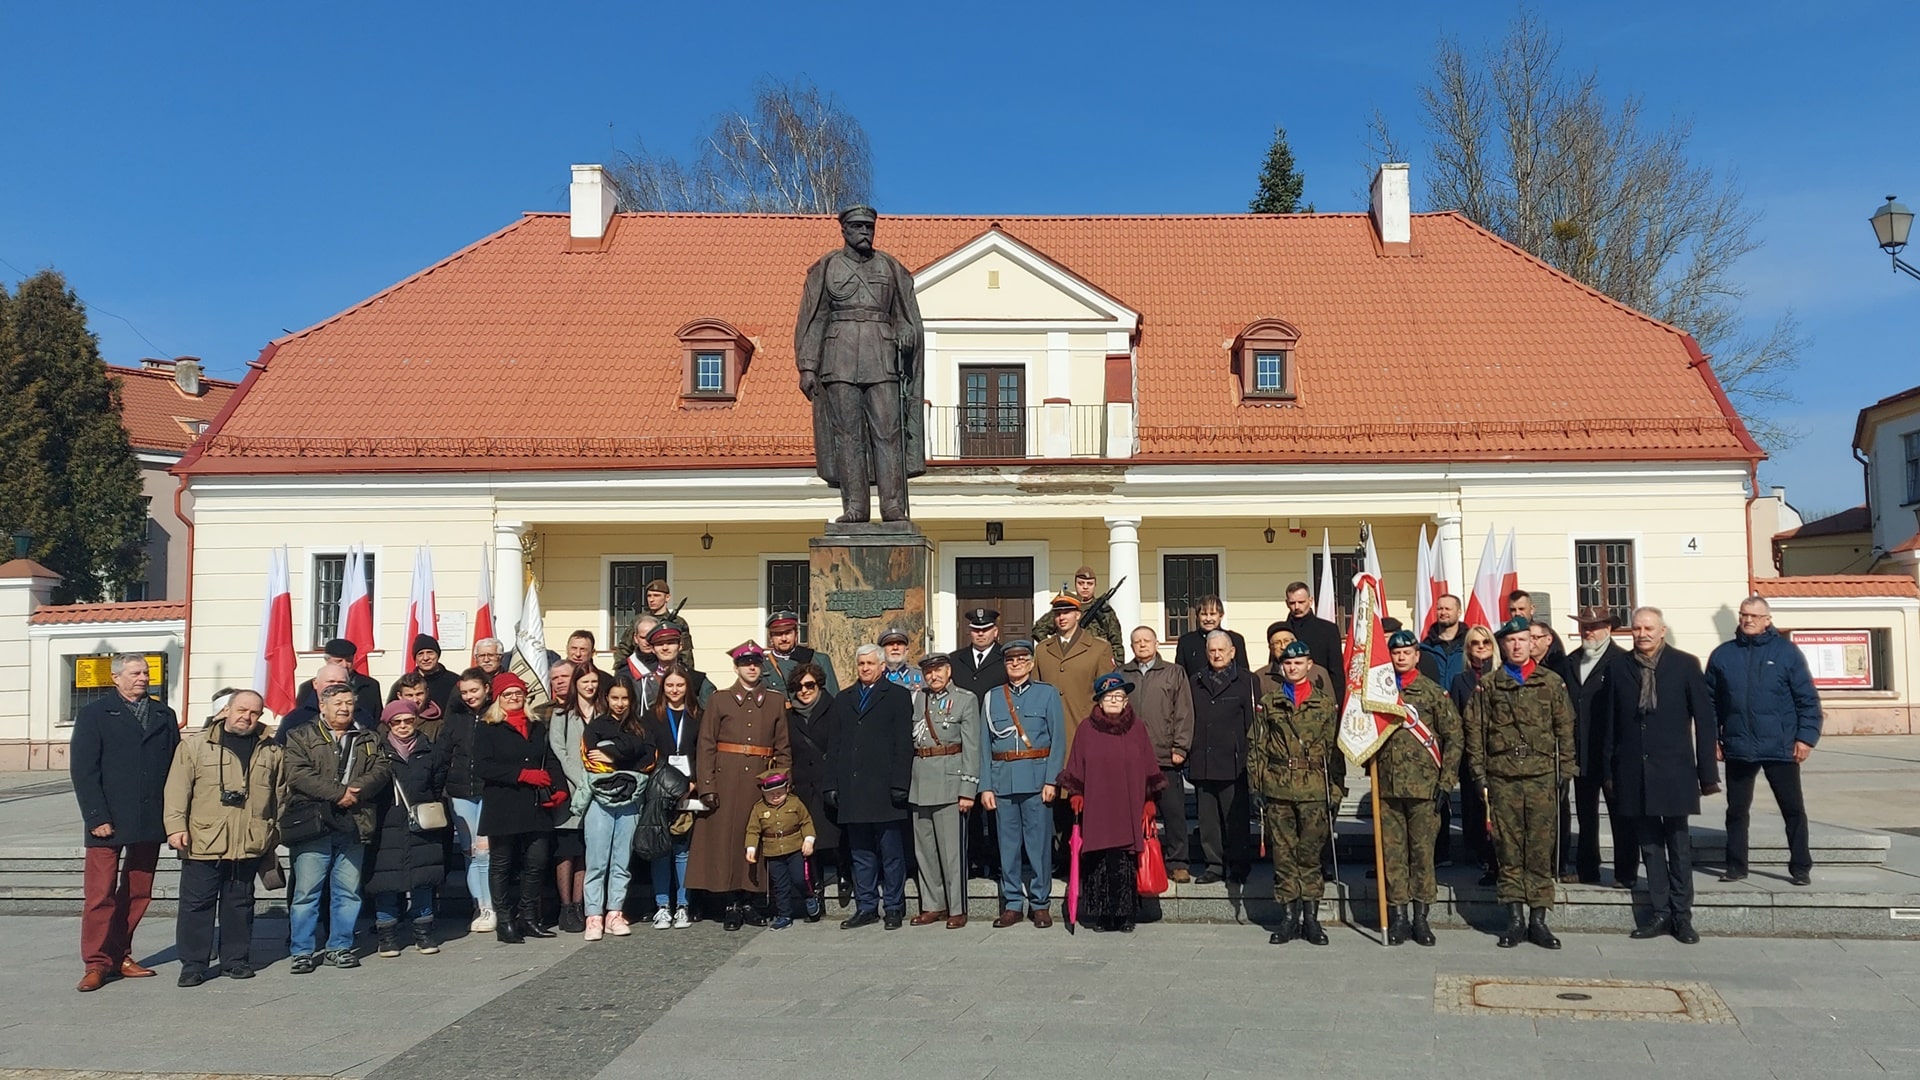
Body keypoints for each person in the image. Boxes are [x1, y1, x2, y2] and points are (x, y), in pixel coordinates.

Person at [795, 204, 926, 523]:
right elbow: (815, 318)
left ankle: (892, 506)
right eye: (858, 227)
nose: (865, 232)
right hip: (838, 360)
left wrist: (906, 331)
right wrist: (808, 365)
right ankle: (855, 506)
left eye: (869, 227)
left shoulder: (890, 267)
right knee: (847, 436)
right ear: (844, 230)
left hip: (882, 359)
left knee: (889, 434)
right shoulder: (827, 267)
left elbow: (906, 315)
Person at [1603, 607, 1720, 944]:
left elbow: (1705, 721)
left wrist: (1707, 774)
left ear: (1662, 631)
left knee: (1678, 845)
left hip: (1674, 770)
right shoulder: (1619, 667)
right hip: (1634, 771)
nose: (1642, 634)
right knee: (1651, 847)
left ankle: (1682, 916)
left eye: (1649, 628)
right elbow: (1610, 723)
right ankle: (1660, 913)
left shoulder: (1685, 665)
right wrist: (1609, 771)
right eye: (1637, 629)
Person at [69, 654, 179, 992]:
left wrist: (175, 816)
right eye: (135, 673)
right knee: (100, 894)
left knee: (138, 891)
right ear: (116, 677)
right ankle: (96, 963)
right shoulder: (94, 714)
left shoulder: (163, 714)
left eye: (146, 672)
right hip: (108, 819)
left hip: (150, 817)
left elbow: (175, 768)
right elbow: (84, 769)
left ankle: (119, 954)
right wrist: (96, 816)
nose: (143, 678)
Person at [1466, 616, 1576, 950]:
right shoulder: (1489, 685)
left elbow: (1565, 729)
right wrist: (1479, 774)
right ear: (1503, 645)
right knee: (1508, 850)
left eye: (1523, 640)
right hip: (1503, 779)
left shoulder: (1552, 682)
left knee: (1540, 849)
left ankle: (1538, 920)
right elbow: (1475, 732)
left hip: (1542, 778)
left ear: (1533, 643)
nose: (1517, 646)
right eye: (1511, 641)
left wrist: (1565, 771)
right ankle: (1514, 919)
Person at [163, 688, 279, 987]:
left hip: (248, 840)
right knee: (197, 905)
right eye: (241, 710)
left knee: (239, 904)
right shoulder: (196, 746)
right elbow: (177, 788)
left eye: (254, 712)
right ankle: (193, 965)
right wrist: (175, 826)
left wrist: (272, 831)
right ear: (226, 710)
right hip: (204, 839)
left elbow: (281, 794)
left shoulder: (271, 750)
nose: (247, 717)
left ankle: (235, 961)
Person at [1707, 595, 1821, 886]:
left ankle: (1800, 867)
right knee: (1736, 810)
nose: (1748, 620)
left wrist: (1806, 738)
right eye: (1744, 614)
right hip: (1738, 745)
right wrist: (1713, 739)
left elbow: (1807, 699)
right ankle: (1736, 866)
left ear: (1767, 620)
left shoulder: (1786, 653)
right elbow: (1710, 703)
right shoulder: (1723, 655)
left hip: (1780, 746)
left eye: (1754, 616)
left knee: (1792, 809)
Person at [282, 682, 391, 972]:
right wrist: (338, 793)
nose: (344, 708)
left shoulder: (368, 737)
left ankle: (339, 946)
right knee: (307, 892)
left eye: (349, 703)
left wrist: (357, 790)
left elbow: (381, 769)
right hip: (314, 822)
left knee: (348, 891)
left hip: (355, 820)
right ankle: (302, 951)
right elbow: (297, 773)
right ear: (323, 706)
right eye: (338, 703)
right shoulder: (300, 735)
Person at [690, 642, 792, 931]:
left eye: (756, 663)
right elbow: (706, 744)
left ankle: (751, 900)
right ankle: (731, 902)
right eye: (745, 663)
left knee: (757, 839)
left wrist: (783, 784)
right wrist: (707, 784)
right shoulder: (719, 700)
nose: (751, 668)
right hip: (725, 779)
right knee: (726, 841)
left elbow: (783, 748)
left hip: (760, 781)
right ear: (735, 668)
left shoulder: (774, 701)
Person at [1057, 672, 1166, 933]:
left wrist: (1149, 799)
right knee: (1099, 860)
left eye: (1119, 696)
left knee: (1124, 860)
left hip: (1129, 804)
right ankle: (1103, 915)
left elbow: (1149, 764)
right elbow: (1076, 764)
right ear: (1099, 701)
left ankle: (1126, 914)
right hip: (1098, 806)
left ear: (1126, 701)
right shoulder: (1086, 729)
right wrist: (1077, 794)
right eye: (1109, 697)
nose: (1115, 701)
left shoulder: (1137, 728)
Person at [1250, 642, 1341, 946]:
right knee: (1284, 855)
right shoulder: (1269, 702)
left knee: (1311, 855)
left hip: (1314, 787)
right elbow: (1257, 747)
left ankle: (1311, 920)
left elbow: (1334, 751)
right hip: (1279, 787)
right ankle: (1289, 918)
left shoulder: (1324, 704)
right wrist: (1256, 786)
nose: (1292, 667)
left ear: (1309, 665)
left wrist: (1335, 790)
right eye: (1287, 663)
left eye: (1298, 663)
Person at [1377, 630, 1463, 946]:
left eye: (1407, 652)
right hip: (1387, 788)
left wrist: (1446, 782)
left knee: (1423, 855)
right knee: (1393, 856)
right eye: (1395, 653)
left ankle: (1421, 918)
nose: (1401, 657)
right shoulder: (1379, 694)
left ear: (1416, 656)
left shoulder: (1433, 693)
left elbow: (1454, 738)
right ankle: (1399, 917)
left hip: (1425, 789)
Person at [472, 672, 568, 943]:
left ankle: (528, 917)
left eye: (518, 693)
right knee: (502, 864)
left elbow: (550, 760)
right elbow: (483, 767)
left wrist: (559, 787)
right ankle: (504, 920)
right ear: (498, 698)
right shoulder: (488, 727)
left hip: (535, 805)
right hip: (503, 805)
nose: (514, 698)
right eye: (508, 694)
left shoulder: (536, 725)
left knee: (536, 861)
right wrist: (521, 774)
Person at [825, 644, 916, 929]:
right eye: (861, 663)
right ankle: (866, 906)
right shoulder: (844, 698)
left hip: (885, 790)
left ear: (882, 666)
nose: (865, 668)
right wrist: (831, 784)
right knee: (861, 853)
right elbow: (835, 745)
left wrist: (900, 783)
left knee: (891, 853)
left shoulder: (898, 696)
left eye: (870, 663)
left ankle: (894, 906)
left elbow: (904, 744)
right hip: (853, 789)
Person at [978, 640, 1066, 928]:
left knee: (1039, 845)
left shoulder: (1047, 693)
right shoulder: (992, 697)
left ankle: (1040, 903)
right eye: (1010, 660)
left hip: (1037, 780)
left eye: (1021, 659)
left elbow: (1058, 740)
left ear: (1030, 663)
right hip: (1002, 780)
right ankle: (1012, 903)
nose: (1015, 664)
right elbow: (984, 745)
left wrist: (1052, 780)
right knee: (1007, 846)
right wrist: (985, 786)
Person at [366, 700, 449, 959]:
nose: (403, 726)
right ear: (388, 724)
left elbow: (437, 785)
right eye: (396, 722)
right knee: (385, 884)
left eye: (408, 720)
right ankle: (387, 937)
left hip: (421, 825)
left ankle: (423, 934)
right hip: (386, 825)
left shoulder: (430, 750)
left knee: (423, 881)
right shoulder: (377, 750)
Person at [1563, 607, 1635, 888]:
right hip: (1581, 751)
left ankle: (1625, 873)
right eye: (1584, 626)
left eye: (1594, 626)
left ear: (1608, 628)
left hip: (1612, 752)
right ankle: (1587, 869)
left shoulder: (1622, 661)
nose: (1588, 631)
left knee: (1620, 814)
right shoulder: (1571, 661)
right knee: (1586, 815)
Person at [909, 653, 980, 929]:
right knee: (925, 850)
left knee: (952, 852)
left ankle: (957, 907)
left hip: (950, 780)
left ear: (949, 671)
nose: (933, 676)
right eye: (928, 672)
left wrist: (968, 789)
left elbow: (971, 747)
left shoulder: (965, 699)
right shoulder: (919, 698)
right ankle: (932, 904)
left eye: (938, 670)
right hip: (921, 780)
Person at [581, 678, 654, 940]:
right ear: (606, 699)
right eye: (615, 698)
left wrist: (613, 752)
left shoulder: (642, 727)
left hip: (631, 800)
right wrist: (628, 754)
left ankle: (615, 912)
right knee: (597, 861)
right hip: (601, 800)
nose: (620, 704)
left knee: (622, 861)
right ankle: (593, 916)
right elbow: (592, 760)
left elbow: (648, 759)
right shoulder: (596, 726)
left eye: (625, 698)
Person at [1122, 626, 1194, 884]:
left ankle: (1178, 862)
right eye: (1137, 641)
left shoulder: (1174, 673)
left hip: (1164, 755)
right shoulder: (1122, 674)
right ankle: (1132, 861)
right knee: (1131, 813)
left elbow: (1184, 711)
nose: (1142, 645)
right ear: (1131, 646)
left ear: (1156, 643)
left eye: (1147, 640)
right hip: (1130, 758)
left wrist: (1180, 747)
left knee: (1173, 812)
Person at [1188, 631, 1255, 884]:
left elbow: (1252, 723)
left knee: (1235, 819)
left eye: (1221, 650)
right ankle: (1214, 865)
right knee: (1208, 821)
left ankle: (1238, 865)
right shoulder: (1195, 680)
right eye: (1212, 650)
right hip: (1203, 759)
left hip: (1234, 762)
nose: (1217, 655)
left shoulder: (1247, 681)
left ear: (1232, 652)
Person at [642, 667, 701, 928]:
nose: (674, 690)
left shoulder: (698, 715)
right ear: (662, 688)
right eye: (669, 685)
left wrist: (694, 781)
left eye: (679, 685)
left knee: (682, 849)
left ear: (687, 687)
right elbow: (648, 753)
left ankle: (683, 905)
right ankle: (662, 905)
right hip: (659, 792)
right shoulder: (651, 717)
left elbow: (702, 751)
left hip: (688, 788)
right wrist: (661, 786)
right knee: (660, 849)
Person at [783, 661, 843, 911]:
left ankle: (844, 875)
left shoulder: (835, 708)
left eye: (809, 685)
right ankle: (815, 887)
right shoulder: (789, 716)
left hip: (829, 782)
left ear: (819, 685)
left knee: (837, 834)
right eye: (798, 687)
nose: (804, 691)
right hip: (802, 785)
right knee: (810, 840)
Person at [440, 668, 495, 932]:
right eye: (464, 692)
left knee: (485, 851)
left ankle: (491, 906)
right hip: (459, 791)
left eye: (474, 690)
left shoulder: (495, 714)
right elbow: (443, 753)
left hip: (489, 791)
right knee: (470, 852)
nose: (469, 696)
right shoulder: (455, 718)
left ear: (486, 688)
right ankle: (479, 905)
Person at [547, 664, 598, 933]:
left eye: (593, 682)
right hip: (571, 790)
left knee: (585, 851)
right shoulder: (561, 714)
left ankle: (579, 904)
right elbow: (560, 751)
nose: (589, 686)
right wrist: (581, 783)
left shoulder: (602, 712)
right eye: (584, 682)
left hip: (598, 790)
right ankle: (565, 906)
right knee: (566, 851)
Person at [1035, 593, 1118, 747]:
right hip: (1048, 736)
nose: (1061, 617)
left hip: (1086, 731)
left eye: (1067, 612)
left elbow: (1107, 694)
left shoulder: (1099, 648)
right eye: (1058, 614)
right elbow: (1036, 693)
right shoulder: (1042, 650)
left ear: (1078, 615)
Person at [1450, 624, 1499, 882]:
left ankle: (1496, 858)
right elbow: (1455, 720)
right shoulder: (1461, 680)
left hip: (1499, 755)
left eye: (1485, 642)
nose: (1481, 647)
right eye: (1475, 643)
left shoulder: (1502, 676)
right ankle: (1480, 854)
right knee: (1474, 808)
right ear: (1468, 649)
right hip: (1471, 756)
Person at [744, 769, 817, 930]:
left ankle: (809, 895)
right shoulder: (759, 808)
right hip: (773, 852)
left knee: (799, 878)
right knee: (780, 886)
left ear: (787, 789)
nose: (775, 797)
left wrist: (809, 840)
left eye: (779, 793)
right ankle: (785, 915)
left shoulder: (795, 803)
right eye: (771, 794)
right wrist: (751, 848)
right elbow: (753, 830)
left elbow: (806, 822)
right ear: (763, 793)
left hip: (795, 848)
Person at [1033, 567, 1125, 663]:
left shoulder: (1105, 610)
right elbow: (1038, 630)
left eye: (1089, 584)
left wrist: (1117, 667)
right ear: (1075, 584)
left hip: (1097, 661)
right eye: (1081, 583)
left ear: (1095, 585)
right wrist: (1054, 649)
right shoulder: (1066, 607)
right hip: (1070, 660)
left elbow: (1116, 643)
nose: (1085, 587)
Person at [1282, 582, 1345, 706]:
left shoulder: (1328, 630)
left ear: (1310, 601)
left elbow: (1336, 671)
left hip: (1319, 697)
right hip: (1286, 698)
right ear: (1286, 603)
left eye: (1301, 602)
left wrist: (1338, 703)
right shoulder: (1281, 631)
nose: (1297, 607)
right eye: (1292, 603)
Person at [293, 638, 384, 719]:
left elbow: (377, 717)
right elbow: (301, 716)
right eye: (338, 661)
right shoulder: (309, 687)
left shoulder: (369, 685)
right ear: (327, 660)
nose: (344, 665)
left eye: (349, 660)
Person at [765, 611, 839, 696]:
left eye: (788, 633)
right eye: (778, 634)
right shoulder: (764, 665)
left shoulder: (817, 659)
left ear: (796, 634)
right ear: (770, 637)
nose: (784, 638)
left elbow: (832, 696)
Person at [1257, 624, 1335, 702]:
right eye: (1277, 643)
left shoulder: (1318, 672)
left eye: (1286, 641)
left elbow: (1331, 704)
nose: (1283, 647)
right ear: (1270, 648)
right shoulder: (1260, 677)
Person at [1174, 595, 1249, 676]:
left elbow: (1244, 674)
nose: (1208, 619)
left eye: (1212, 614)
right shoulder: (1186, 642)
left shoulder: (1235, 640)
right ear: (1197, 617)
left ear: (1221, 616)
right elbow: (1179, 676)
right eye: (1204, 614)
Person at [391, 634, 461, 712]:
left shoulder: (455, 681)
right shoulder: (403, 684)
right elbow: (390, 713)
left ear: (438, 655)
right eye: (420, 654)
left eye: (430, 653)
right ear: (415, 658)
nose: (425, 658)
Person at [951, 607, 1009, 700]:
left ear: (995, 631)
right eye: (976, 630)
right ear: (970, 631)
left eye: (985, 629)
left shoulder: (1006, 658)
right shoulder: (954, 659)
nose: (980, 634)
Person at [650, 625, 713, 706]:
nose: (665, 648)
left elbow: (709, 710)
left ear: (680, 646)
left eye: (670, 643)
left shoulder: (697, 679)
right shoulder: (643, 678)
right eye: (659, 644)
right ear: (652, 649)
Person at [1417, 594, 1468, 690]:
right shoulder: (1425, 647)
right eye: (1440, 609)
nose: (1443, 612)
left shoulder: (1469, 644)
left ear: (1459, 612)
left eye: (1448, 609)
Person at [639, 580, 694, 666]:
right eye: (649, 596)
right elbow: (625, 648)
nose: (651, 599)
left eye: (656, 595)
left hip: (670, 668)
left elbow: (686, 653)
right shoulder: (639, 621)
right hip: (643, 668)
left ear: (667, 597)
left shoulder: (678, 622)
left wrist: (687, 672)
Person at [1508, 591, 1567, 668]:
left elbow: (1559, 662)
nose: (1517, 613)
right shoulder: (1503, 636)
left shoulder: (1544, 632)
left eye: (1521, 609)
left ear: (1532, 609)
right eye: (1513, 610)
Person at [879, 628, 926, 694]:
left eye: (899, 644)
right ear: (882, 650)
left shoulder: (921, 675)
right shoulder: (874, 676)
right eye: (890, 644)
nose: (895, 648)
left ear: (906, 650)